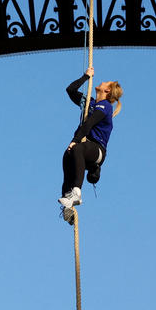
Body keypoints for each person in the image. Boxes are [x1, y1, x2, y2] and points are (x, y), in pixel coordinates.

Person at [58, 66, 122, 224]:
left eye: (107, 83)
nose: (103, 81)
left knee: (77, 148)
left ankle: (77, 193)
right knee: (67, 156)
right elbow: (70, 89)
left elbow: (89, 123)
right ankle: (68, 204)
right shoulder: (89, 103)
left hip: (97, 150)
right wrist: (85, 76)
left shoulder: (105, 106)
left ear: (107, 91)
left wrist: (75, 140)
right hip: (85, 148)